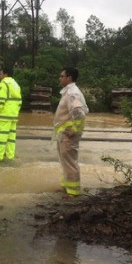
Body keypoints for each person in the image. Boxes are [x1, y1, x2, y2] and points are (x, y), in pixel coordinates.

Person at [53, 67, 89, 196]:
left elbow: (79, 113)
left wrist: (75, 129)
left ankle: (73, 193)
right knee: (65, 163)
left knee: (70, 163)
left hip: (68, 135)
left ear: (69, 78)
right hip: (64, 134)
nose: (60, 78)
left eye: (62, 76)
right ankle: (66, 188)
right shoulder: (68, 92)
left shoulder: (72, 93)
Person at [0, 66, 22, 161]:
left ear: (5, 74)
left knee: (2, 135)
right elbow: (20, 101)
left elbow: (1, 99)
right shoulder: (15, 84)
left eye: (0, 73)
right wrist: (16, 112)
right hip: (13, 115)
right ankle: (10, 155)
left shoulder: (3, 83)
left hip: (4, 115)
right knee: (11, 137)